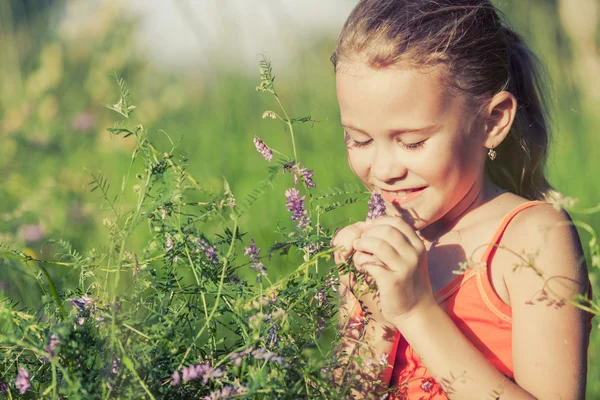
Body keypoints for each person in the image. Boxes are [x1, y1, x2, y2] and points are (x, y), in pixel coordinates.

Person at [329, 1, 595, 399]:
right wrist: (375, 319)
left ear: (492, 121)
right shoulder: (375, 249)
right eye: (359, 139)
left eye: (412, 141)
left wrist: (415, 311)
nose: (383, 169)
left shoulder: (533, 238)